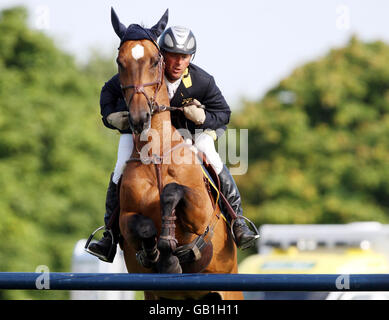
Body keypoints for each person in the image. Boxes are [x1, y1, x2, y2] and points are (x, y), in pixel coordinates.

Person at [87, 23, 259, 263]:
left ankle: (238, 221)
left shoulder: (201, 81)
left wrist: (202, 118)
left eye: (184, 57)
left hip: (191, 133)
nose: (178, 62)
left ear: (191, 58)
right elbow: (108, 92)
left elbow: (223, 113)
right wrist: (111, 117)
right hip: (147, 136)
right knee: (120, 164)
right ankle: (110, 235)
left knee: (209, 151)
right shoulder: (146, 71)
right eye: (173, 56)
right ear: (162, 56)